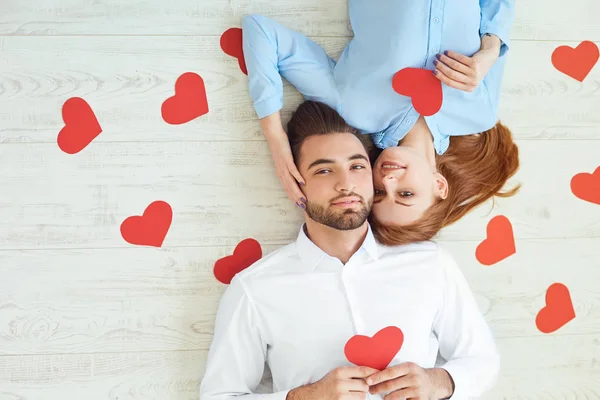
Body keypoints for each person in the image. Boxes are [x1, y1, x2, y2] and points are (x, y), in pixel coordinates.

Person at [199, 101, 501, 400]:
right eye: (324, 171)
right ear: (296, 183)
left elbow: (482, 359)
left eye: (357, 166)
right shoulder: (254, 289)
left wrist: (437, 382)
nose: (346, 184)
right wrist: (307, 397)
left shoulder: (432, 264)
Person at [241, 0, 521, 246]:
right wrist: (491, 50)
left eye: (377, 192)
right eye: (405, 193)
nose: (387, 180)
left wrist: (275, 139)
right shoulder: (478, 114)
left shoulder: (352, 109)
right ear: (439, 186)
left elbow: (260, 31)